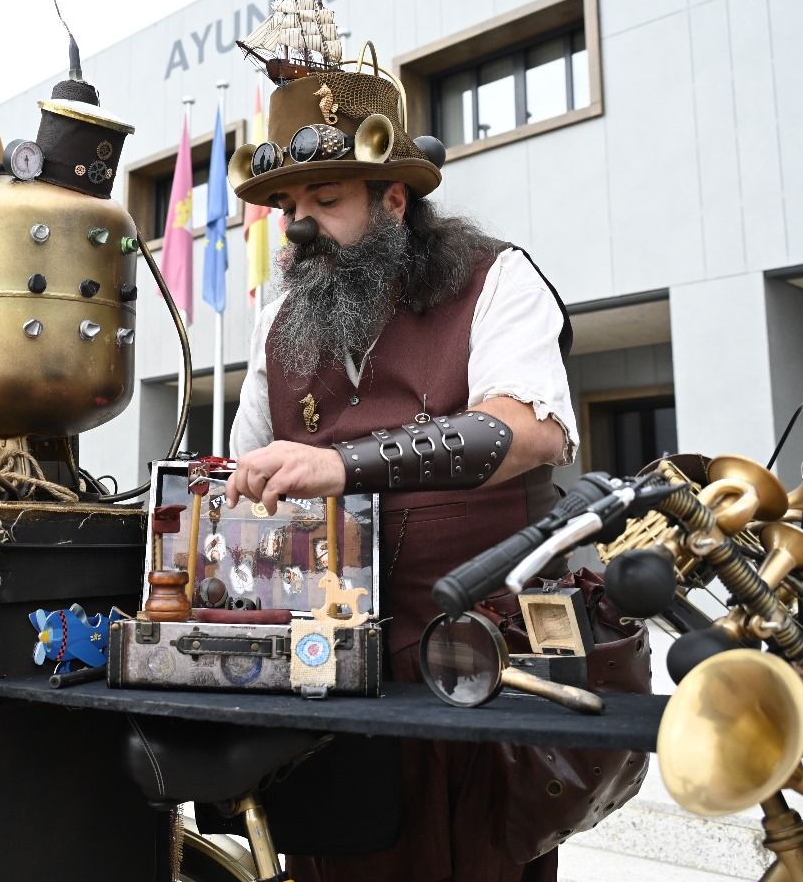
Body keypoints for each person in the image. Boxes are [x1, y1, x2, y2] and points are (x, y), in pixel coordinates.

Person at [221, 53, 587, 882]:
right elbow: (244, 473)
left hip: (474, 666)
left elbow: (528, 433)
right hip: (327, 682)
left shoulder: (500, 278)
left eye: (326, 199)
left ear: (394, 199)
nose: (301, 224)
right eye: (288, 205)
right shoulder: (276, 318)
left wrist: (340, 467)